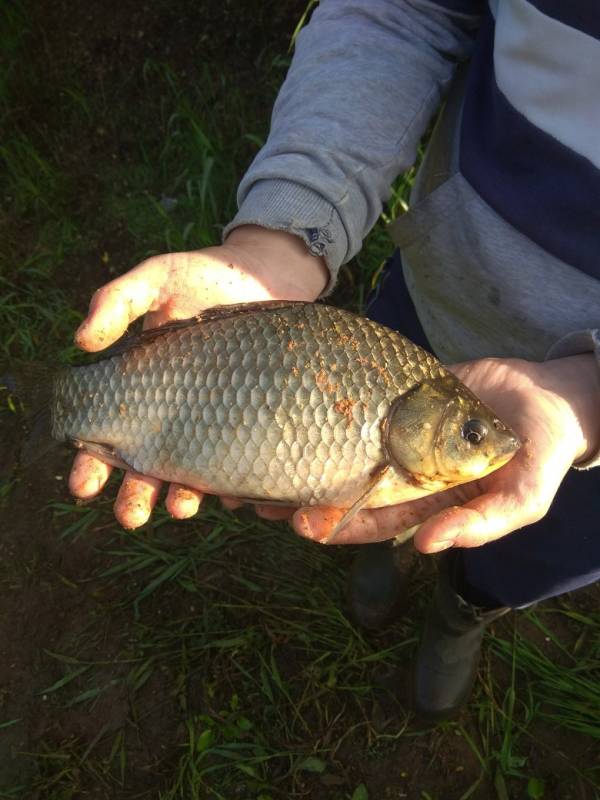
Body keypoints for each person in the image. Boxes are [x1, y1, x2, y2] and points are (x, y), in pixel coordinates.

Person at [69, 0, 600, 717]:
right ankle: (380, 550)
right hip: (429, 303)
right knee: (367, 514)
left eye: (474, 434)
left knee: (527, 552)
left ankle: (467, 608)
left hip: (587, 430)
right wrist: (278, 242)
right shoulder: (399, 368)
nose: (487, 441)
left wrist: (588, 396)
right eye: (472, 432)